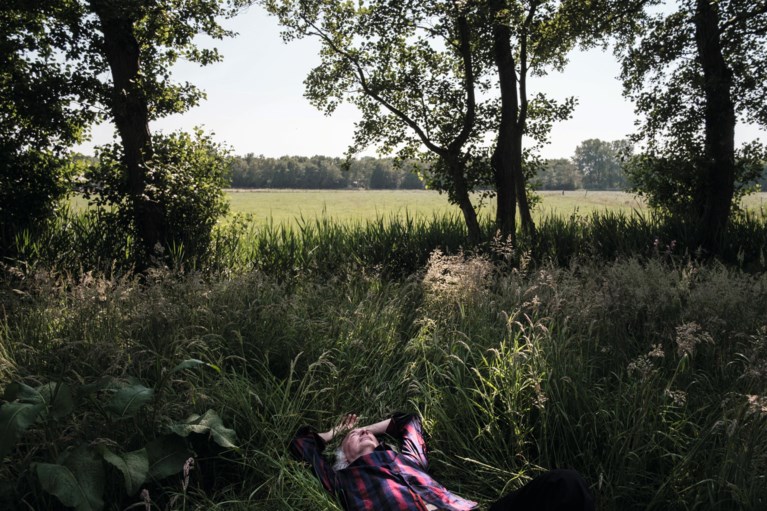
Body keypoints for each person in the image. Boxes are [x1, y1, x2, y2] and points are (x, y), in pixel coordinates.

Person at [290, 412, 594, 511]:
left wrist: (368, 428)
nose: (361, 432)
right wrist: (337, 431)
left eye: (364, 431)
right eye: (354, 436)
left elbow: (408, 421)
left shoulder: (408, 460)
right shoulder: (342, 480)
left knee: (567, 483)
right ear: (344, 455)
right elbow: (301, 445)